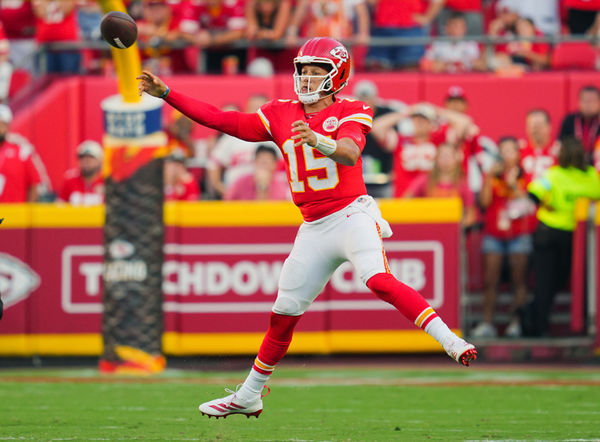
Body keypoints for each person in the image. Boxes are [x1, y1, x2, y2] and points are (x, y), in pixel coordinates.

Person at [138, 36, 477, 418]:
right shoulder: (281, 112)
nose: (308, 78)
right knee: (283, 314)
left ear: (338, 75)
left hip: (351, 214)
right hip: (313, 227)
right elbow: (223, 120)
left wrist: (319, 140)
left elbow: (350, 153)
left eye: (318, 72)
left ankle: (450, 340)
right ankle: (248, 394)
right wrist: (168, 93)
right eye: (304, 70)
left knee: (377, 279)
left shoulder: (351, 109)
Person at [521, 137, 600, 337]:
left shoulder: (554, 174)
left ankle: (538, 321)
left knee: (547, 281)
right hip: (572, 236)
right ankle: (540, 323)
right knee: (558, 280)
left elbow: (533, 194)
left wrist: (545, 204)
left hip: (553, 231)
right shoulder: (589, 176)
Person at [471, 136, 535, 338]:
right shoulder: (492, 175)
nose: (507, 155)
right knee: (491, 280)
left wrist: (513, 184)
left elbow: (529, 204)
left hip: (519, 234)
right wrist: (490, 177)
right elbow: (484, 201)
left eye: (511, 151)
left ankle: (517, 322)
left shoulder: (526, 175)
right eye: (503, 151)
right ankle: (488, 323)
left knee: (519, 280)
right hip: (494, 234)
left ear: (518, 154)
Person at [404, 142, 478, 229]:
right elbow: (406, 200)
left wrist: (457, 228)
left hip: (453, 233)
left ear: (456, 159)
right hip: (428, 229)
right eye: (442, 156)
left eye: (449, 156)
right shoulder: (425, 180)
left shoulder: (463, 184)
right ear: (436, 159)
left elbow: (470, 214)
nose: (445, 160)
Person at [0, 104, 43, 202]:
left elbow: (34, 185)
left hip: (15, 213)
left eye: (2, 124)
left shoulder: (21, 152)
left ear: (8, 126)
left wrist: (26, 214)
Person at [421, 11, 486, 73]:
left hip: (465, 80)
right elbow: (424, 64)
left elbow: (483, 66)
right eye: (455, 26)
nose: (458, 30)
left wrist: (471, 63)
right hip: (443, 80)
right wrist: (438, 65)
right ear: (447, 28)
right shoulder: (438, 44)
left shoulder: (471, 45)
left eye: (461, 26)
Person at [225, 144, 289, 200]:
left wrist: (263, 187)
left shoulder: (282, 185)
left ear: (275, 164)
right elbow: (226, 202)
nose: (264, 165)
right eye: (261, 161)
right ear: (255, 162)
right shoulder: (240, 182)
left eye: (267, 162)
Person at [558, 85, 600, 165]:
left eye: (592, 101)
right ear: (579, 102)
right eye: (585, 101)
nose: (588, 105)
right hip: (572, 164)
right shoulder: (569, 120)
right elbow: (560, 143)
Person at [59, 140, 104, 205]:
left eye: (91, 158)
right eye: (83, 158)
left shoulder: (106, 183)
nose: (87, 161)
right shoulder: (70, 181)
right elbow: (60, 207)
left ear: (99, 161)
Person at [520, 109, 559, 183]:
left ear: (549, 127)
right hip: (526, 193)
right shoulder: (519, 151)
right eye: (533, 127)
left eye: (539, 126)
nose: (536, 131)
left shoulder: (560, 151)